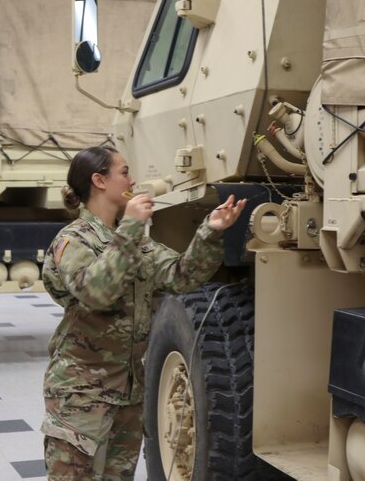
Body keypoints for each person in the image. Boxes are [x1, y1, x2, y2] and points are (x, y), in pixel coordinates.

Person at [40, 145, 246, 480]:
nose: (132, 179)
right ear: (99, 181)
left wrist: (211, 230)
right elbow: (96, 291)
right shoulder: (73, 240)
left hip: (128, 396)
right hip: (80, 397)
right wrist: (132, 226)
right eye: (123, 172)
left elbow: (182, 276)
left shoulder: (138, 243)